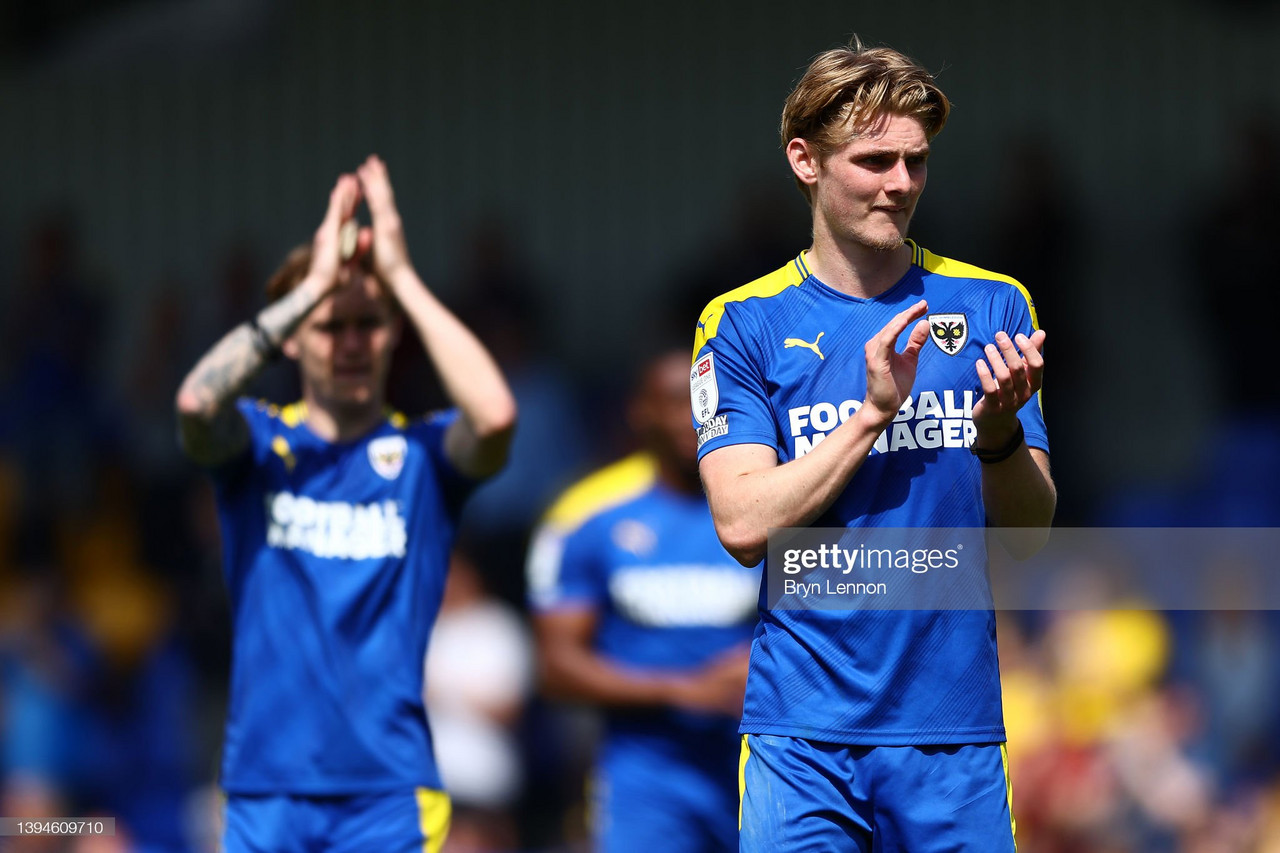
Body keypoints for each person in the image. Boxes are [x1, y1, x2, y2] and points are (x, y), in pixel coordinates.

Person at [692, 39, 1056, 851]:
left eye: (916, 162)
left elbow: (1031, 532)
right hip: (800, 736)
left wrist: (996, 436)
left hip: (952, 733)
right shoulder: (741, 321)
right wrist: (870, 415)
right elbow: (744, 524)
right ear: (805, 161)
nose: (900, 184)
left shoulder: (992, 303)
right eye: (874, 160)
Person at [175, 155, 516, 852]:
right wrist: (311, 288)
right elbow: (194, 403)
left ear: (393, 333)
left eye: (370, 323)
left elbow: (495, 417)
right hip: (265, 787)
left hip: (389, 793)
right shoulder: (260, 443)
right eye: (332, 325)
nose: (352, 343)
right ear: (295, 335)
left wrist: (401, 279)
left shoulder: (423, 455)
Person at [526, 348, 760, 853]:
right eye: (678, 401)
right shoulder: (585, 516)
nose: (695, 417)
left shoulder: (772, 502)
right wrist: (683, 690)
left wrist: (767, 671)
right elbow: (554, 667)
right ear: (641, 411)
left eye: (707, 402)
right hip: (644, 777)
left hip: (759, 766)